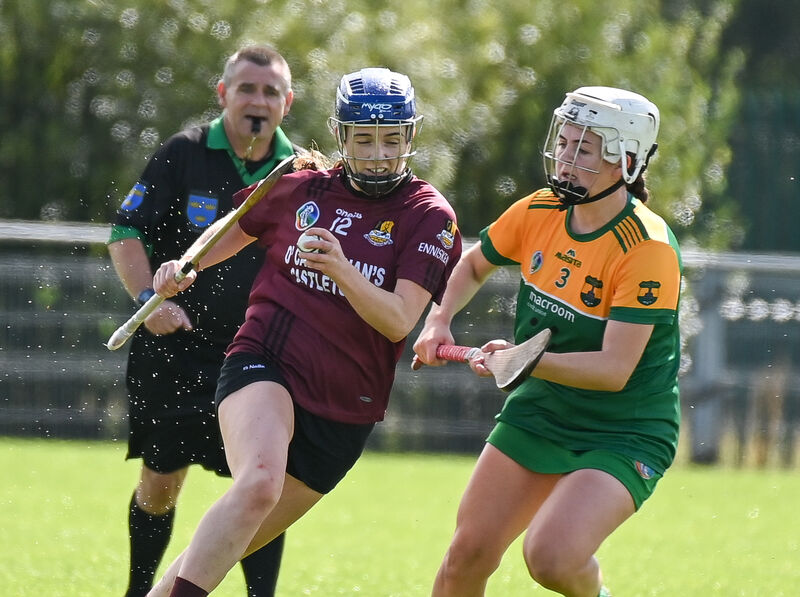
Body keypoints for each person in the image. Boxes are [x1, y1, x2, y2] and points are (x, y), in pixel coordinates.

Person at [143, 67, 462, 597]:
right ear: (341, 135)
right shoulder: (301, 186)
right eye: (364, 140)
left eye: (391, 140)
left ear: (410, 136)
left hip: (346, 407)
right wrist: (187, 264)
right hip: (265, 360)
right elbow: (235, 227)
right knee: (258, 483)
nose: (378, 154)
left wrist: (340, 268)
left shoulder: (427, 215)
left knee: (224, 545)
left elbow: (398, 319)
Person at [413, 86, 681, 597]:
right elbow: (474, 263)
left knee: (551, 557)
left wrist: (523, 360)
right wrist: (438, 319)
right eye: (564, 141)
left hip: (624, 429)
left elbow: (613, 369)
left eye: (584, 149)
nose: (565, 158)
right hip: (542, 410)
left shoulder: (647, 248)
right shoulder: (540, 209)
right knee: (466, 556)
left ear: (625, 160)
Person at [107, 44, 297, 597]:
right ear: (223, 94)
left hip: (259, 356)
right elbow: (124, 233)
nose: (257, 101)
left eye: (270, 92)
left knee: (262, 485)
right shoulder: (183, 152)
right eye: (246, 88)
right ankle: (139, 591)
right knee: (160, 485)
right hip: (173, 351)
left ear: (287, 102)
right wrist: (149, 298)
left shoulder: (299, 171)